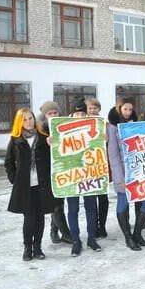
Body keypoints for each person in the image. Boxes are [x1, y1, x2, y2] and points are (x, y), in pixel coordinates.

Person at [5, 108, 56, 261]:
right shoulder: (16, 139)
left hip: (42, 185)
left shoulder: (43, 137)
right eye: (25, 119)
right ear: (20, 121)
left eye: (31, 118)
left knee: (40, 217)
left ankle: (38, 247)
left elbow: (53, 160)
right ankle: (27, 247)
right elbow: (8, 162)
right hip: (25, 186)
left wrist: (50, 145)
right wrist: (15, 180)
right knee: (29, 218)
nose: (29, 122)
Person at [107, 97, 145, 251]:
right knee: (123, 203)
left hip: (140, 172)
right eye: (125, 109)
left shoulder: (135, 125)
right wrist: (119, 179)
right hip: (123, 174)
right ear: (119, 109)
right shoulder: (113, 128)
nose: (128, 112)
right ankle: (128, 238)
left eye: (130, 109)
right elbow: (113, 155)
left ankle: (136, 234)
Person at [65, 99, 101, 256]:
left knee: (91, 208)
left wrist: (103, 141)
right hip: (71, 176)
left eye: (83, 113)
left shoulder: (93, 127)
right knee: (73, 209)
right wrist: (51, 142)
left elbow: (98, 149)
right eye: (77, 113)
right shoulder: (62, 129)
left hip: (89, 175)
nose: (80, 115)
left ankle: (91, 238)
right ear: (72, 114)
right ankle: (75, 240)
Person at [38, 101, 73, 246]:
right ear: (44, 116)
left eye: (55, 113)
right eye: (50, 113)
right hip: (47, 173)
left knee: (60, 202)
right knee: (56, 205)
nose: (53, 115)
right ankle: (66, 234)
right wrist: (45, 143)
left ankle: (53, 231)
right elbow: (37, 152)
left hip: (62, 170)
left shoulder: (62, 127)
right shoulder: (40, 131)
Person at [85, 97, 109, 239]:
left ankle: (102, 226)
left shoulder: (103, 123)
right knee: (91, 199)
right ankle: (93, 226)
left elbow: (110, 143)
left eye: (95, 108)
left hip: (101, 165)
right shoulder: (80, 124)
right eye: (90, 108)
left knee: (103, 198)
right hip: (86, 167)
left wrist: (107, 138)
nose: (92, 110)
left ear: (99, 109)